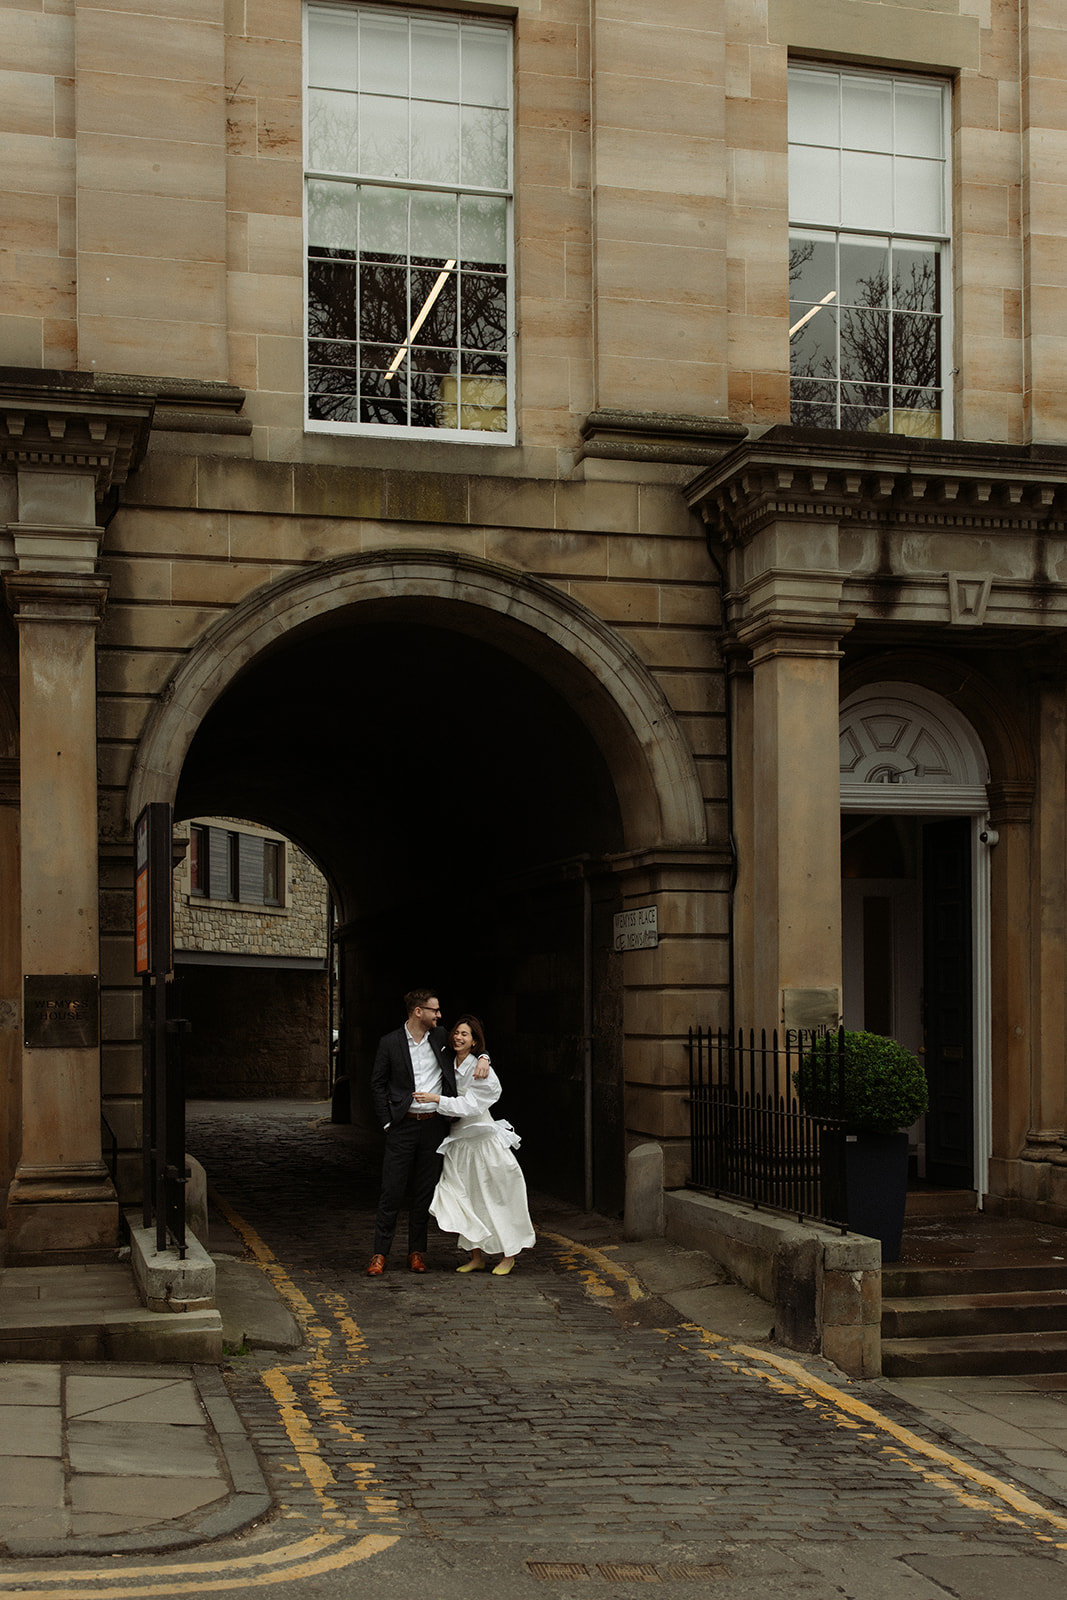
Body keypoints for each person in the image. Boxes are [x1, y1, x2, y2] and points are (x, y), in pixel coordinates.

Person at [366, 989, 490, 1275]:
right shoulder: (390, 1043)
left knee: (424, 1193)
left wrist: (484, 1056)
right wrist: (387, 1121)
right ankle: (379, 1254)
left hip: (434, 1126)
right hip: (402, 1126)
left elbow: (469, 1041)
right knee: (391, 1191)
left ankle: (416, 1253)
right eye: (435, 1010)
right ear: (418, 1012)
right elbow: (377, 1083)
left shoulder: (440, 1037)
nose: (439, 1015)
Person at [413, 1014, 535, 1276]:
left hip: (482, 1141)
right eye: (456, 1032)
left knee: (498, 1197)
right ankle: (476, 1256)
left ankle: (509, 1255)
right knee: (465, 1199)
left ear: (475, 1041)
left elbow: (471, 1105)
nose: (458, 1037)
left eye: (465, 1034)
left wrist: (437, 1099)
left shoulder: (482, 1069)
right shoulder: (446, 1059)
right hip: (458, 1143)